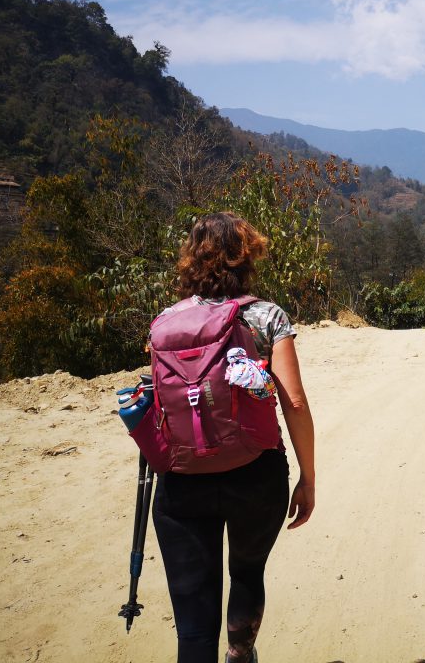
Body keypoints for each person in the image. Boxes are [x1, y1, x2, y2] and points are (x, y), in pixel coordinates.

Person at [152, 212, 315, 663]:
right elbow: (294, 403)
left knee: (193, 619)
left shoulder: (166, 320)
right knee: (246, 571)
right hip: (255, 474)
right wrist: (308, 476)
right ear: (247, 256)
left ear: (191, 259)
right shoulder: (266, 316)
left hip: (182, 478)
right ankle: (240, 652)